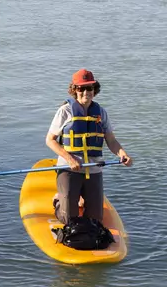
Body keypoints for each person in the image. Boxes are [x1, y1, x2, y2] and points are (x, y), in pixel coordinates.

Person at [45, 69, 132, 225]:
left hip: (93, 168)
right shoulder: (65, 111)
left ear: (94, 89)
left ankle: (81, 198)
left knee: (95, 220)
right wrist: (70, 159)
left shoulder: (101, 113)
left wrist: (122, 154)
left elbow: (111, 140)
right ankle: (59, 200)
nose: (86, 92)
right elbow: (50, 140)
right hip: (70, 169)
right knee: (69, 219)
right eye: (81, 88)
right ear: (74, 90)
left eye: (89, 88)